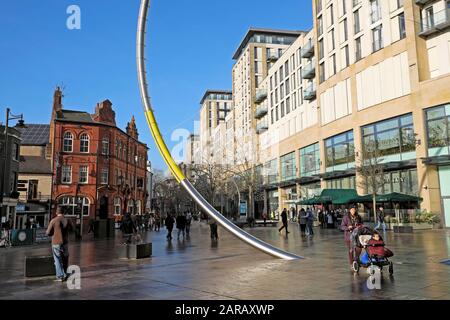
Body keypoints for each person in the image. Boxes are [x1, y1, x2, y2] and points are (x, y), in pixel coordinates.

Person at [46, 207, 73, 282]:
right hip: (65, 242)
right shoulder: (68, 220)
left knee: (57, 259)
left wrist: (53, 233)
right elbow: (72, 230)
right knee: (65, 258)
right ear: (63, 212)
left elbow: (48, 232)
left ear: (56, 213)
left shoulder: (54, 220)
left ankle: (60, 276)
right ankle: (65, 273)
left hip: (56, 242)